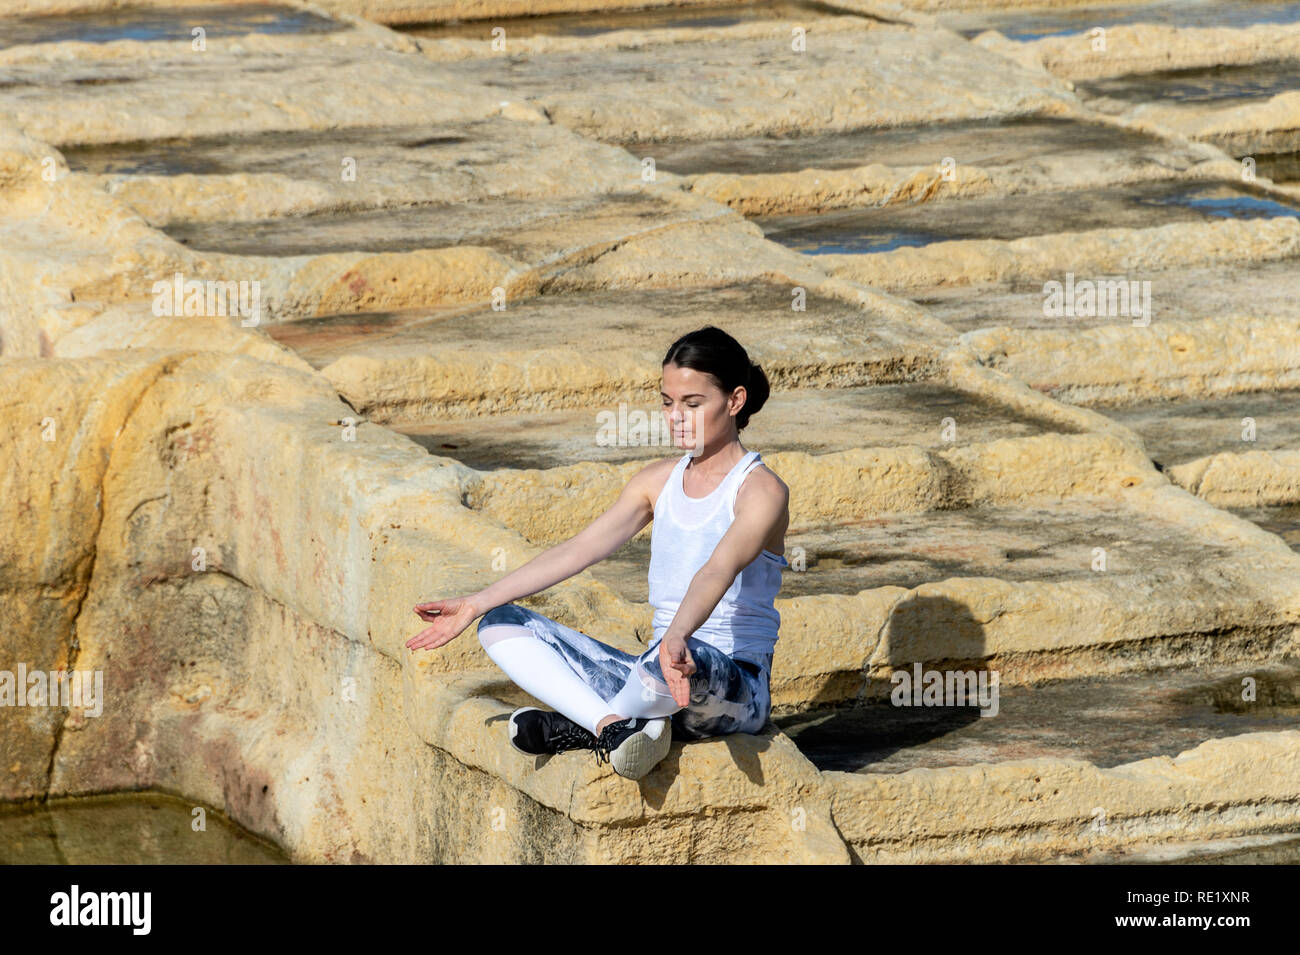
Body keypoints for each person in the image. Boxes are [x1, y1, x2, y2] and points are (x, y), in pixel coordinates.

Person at [406, 326, 790, 780]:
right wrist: (475, 602)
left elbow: (718, 568)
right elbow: (580, 549)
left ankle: (580, 725)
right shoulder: (656, 481)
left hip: (730, 688)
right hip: (657, 678)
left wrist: (677, 636)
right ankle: (611, 727)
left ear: (735, 400)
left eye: (693, 403)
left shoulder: (761, 490)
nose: (676, 417)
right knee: (500, 623)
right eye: (667, 402)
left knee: (658, 663)